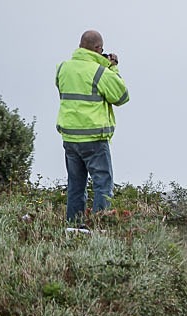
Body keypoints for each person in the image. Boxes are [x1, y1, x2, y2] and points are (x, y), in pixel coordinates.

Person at [56, 30, 129, 224]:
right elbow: (121, 96)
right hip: (94, 139)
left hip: (70, 138)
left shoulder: (63, 68)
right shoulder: (100, 72)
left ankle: (73, 227)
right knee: (102, 184)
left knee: (75, 186)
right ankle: (98, 226)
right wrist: (112, 68)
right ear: (98, 49)